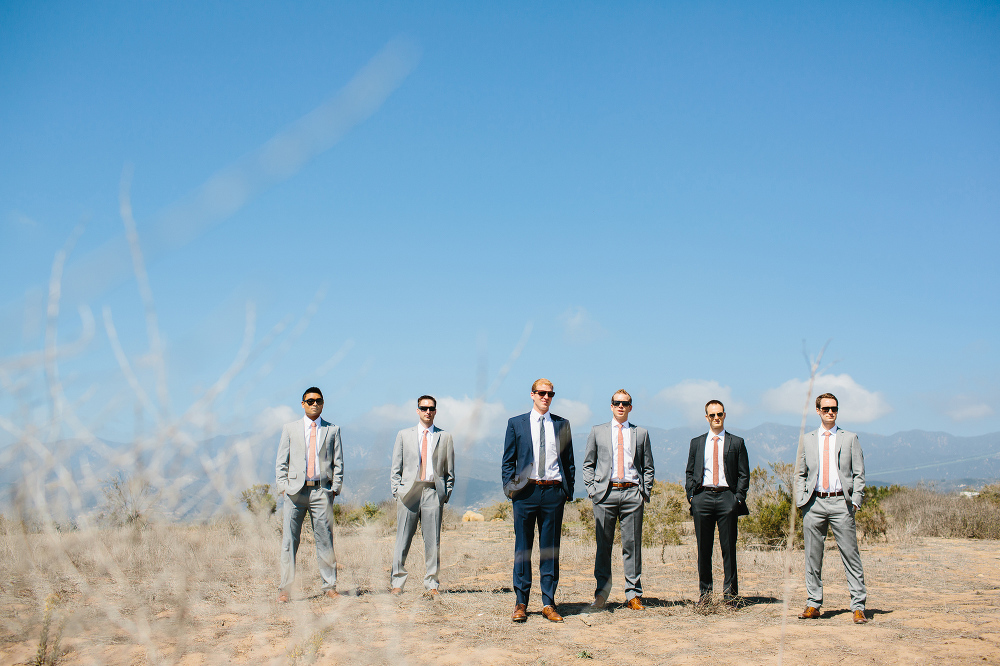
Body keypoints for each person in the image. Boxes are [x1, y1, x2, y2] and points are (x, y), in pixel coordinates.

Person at [501, 378, 575, 623]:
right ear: (532, 394)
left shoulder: (562, 424)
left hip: (553, 493)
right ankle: (521, 602)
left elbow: (569, 462)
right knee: (523, 549)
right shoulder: (516, 423)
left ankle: (548, 603)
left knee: (550, 550)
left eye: (550, 393)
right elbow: (508, 460)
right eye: (542, 393)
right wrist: (510, 489)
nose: (546, 397)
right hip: (525, 493)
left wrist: (567, 491)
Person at [795, 392, 868, 624]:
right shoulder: (807, 439)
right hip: (814, 503)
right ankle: (813, 604)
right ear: (818, 411)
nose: (830, 412)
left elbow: (859, 473)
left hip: (841, 503)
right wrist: (801, 500)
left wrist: (855, 499)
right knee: (812, 556)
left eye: (834, 408)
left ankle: (858, 606)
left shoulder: (850, 438)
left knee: (851, 555)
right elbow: (800, 472)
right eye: (826, 409)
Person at [582, 389, 655, 611]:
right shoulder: (598, 431)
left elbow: (648, 466)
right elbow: (588, 464)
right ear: (611, 406)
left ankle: (633, 594)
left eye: (625, 403)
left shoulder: (640, 433)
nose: (621, 406)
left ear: (630, 407)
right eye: (617, 403)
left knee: (632, 546)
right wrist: (593, 491)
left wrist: (645, 491)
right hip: (605, 494)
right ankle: (601, 595)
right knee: (603, 547)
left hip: (633, 493)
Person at [274, 387, 344, 602]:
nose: (314, 404)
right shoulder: (290, 428)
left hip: (321, 491)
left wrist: (335, 488)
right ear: (302, 403)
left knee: (325, 540)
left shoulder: (332, 430)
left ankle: (329, 586)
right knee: (289, 541)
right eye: (310, 400)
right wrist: (283, 487)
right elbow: (281, 461)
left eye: (318, 401)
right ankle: (285, 589)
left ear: (323, 404)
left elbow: (338, 462)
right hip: (294, 492)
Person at [389, 395, 455, 596]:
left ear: (435, 411)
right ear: (417, 410)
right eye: (424, 408)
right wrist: (397, 492)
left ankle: (432, 584)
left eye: (431, 408)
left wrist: (445, 493)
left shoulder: (445, 437)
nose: (428, 411)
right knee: (402, 538)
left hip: (433, 492)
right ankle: (397, 583)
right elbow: (396, 468)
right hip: (409, 492)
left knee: (433, 541)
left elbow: (449, 471)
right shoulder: (403, 435)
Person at [685, 400, 750, 604]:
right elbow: (689, 471)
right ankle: (705, 596)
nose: (716, 418)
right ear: (706, 417)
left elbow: (744, 474)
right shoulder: (696, 442)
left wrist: (737, 498)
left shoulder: (736, 442)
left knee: (728, 549)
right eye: (712, 415)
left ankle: (731, 597)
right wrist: (692, 496)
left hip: (727, 498)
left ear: (724, 415)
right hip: (702, 498)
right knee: (703, 550)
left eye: (719, 414)